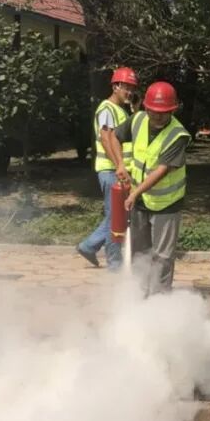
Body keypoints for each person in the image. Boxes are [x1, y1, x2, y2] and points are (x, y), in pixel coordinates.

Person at [105, 81, 191, 296]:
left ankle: (159, 301)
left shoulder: (178, 135)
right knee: (140, 253)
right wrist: (120, 164)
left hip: (166, 204)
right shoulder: (138, 119)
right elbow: (113, 136)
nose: (158, 116)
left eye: (164, 112)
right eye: (153, 111)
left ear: (173, 110)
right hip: (140, 202)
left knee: (162, 256)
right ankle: (139, 295)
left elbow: (162, 170)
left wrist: (135, 192)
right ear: (146, 107)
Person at [77, 67, 139, 269]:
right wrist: (119, 165)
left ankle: (89, 246)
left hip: (118, 170)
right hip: (111, 170)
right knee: (116, 219)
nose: (129, 92)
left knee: (117, 215)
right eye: (126, 87)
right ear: (115, 86)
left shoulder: (121, 110)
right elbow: (106, 139)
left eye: (132, 88)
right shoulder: (107, 109)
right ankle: (114, 264)